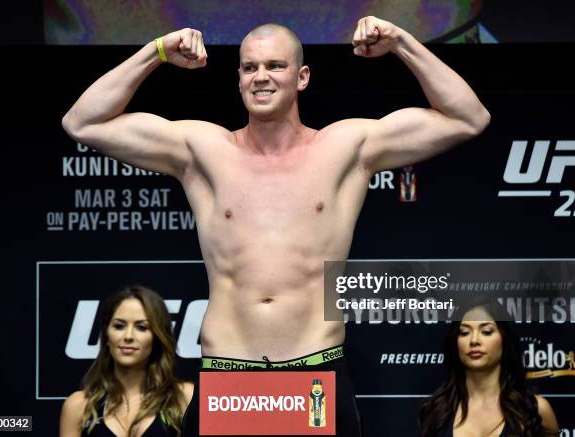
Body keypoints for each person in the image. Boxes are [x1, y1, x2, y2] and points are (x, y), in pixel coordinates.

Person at [62, 16, 490, 435]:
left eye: (274, 66)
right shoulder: (204, 150)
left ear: (302, 77)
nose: (260, 77)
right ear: (238, 78)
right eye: (249, 67)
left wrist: (399, 41)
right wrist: (155, 52)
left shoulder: (345, 148)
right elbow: (83, 122)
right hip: (228, 377)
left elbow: (468, 118)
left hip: (314, 374)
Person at [59, 285, 194, 437]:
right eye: (119, 326)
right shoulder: (78, 406)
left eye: (141, 327)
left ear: (157, 337)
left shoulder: (184, 397)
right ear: (106, 335)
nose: (128, 336)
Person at [419, 299, 560, 437]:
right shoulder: (436, 411)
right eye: (464, 332)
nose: (474, 340)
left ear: (504, 340)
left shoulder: (536, 410)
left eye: (486, 331)